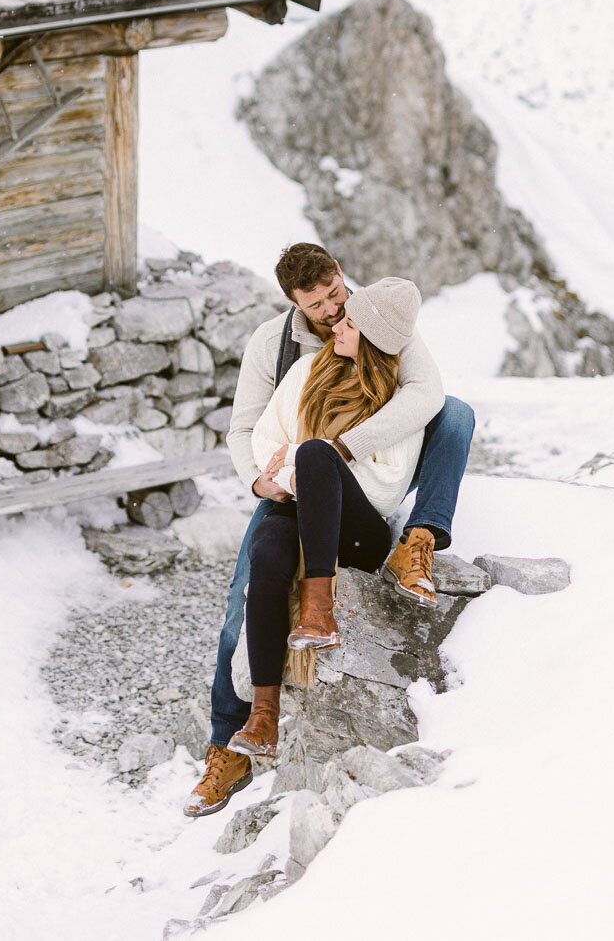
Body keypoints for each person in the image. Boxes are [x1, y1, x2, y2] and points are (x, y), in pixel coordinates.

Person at [183, 243, 474, 818]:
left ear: (341, 275)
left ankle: (418, 539)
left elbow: (427, 395)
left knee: (457, 414)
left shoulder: (378, 316)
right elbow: (245, 430)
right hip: (290, 485)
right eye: (316, 305)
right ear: (295, 303)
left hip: (362, 476)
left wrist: (343, 451)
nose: (332, 310)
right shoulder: (275, 346)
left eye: (335, 295)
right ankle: (231, 744)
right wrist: (259, 484)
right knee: (243, 598)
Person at [229, 279, 423, 759]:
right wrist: (292, 476)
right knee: (268, 546)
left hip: (356, 532)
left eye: (351, 323)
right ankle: (264, 714)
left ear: (374, 337)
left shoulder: (397, 399)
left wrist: (309, 466)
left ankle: (320, 612)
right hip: (295, 507)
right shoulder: (308, 370)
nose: (337, 324)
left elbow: (386, 487)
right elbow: (263, 439)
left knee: (317, 453)